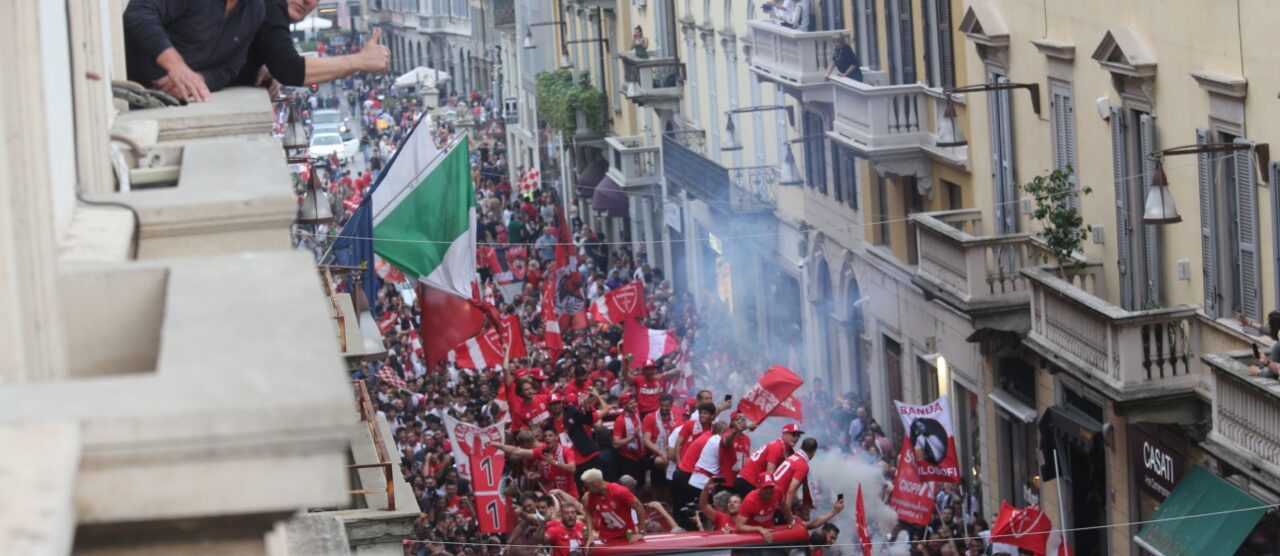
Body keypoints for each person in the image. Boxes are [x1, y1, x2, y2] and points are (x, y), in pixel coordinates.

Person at [124, 0, 267, 102]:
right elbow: (138, 13)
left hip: (183, 104)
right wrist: (176, 66)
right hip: (129, 97)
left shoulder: (256, 9)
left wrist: (197, 80)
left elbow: (230, 69)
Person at [233, 0, 391, 87]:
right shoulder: (271, 5)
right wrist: (360, 61)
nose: (307, 1)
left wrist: (265, 66)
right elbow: (290, 69)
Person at [581, 469, 647, 545]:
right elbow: (589, 513)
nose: (587, 491)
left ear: (595, 485)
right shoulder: (592, 496)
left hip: (626, 536)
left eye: (588, 488)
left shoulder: (619, 491)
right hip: (606, 538)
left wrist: (641, 532)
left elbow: (639, 507)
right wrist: (590, 535)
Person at [735, 423, 803, 496]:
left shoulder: (787, 449)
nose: (796, 438)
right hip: (747, 481)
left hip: (751, 481)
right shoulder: (777, 447)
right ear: (784, 434)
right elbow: (769, 474)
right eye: (794, 435)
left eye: (798, 436)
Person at [775, 437, 818, 524]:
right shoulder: (802, 465)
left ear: (801, 446)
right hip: (776, 502)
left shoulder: (793, 457)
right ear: (813, 452)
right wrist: (787, 514)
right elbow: (792, 490)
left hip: (771, 495)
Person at [734, 473, 781, 543]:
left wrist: (791, 520)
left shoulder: (777, 492)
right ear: (759, 488)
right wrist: (759, 529)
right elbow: (739, 527)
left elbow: (784, 505)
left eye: (771, 487)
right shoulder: (750, 500)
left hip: (770, 532)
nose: (769, 491)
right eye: (765, 488)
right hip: (752, 537)